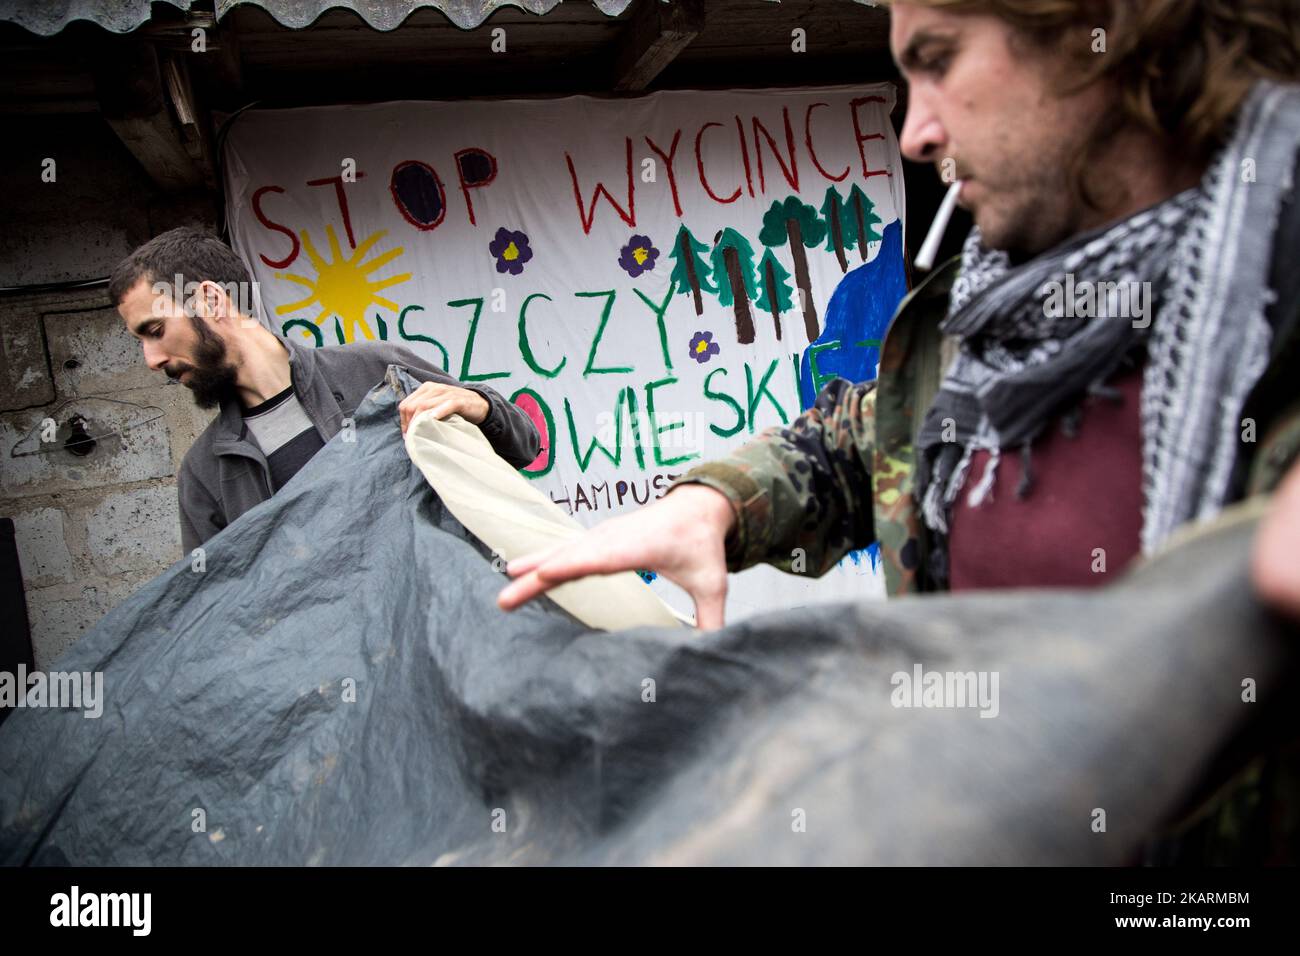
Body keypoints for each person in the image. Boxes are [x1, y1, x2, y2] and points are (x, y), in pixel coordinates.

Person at [498, 0, 1300, 628]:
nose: (914, 134)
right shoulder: (988, 313)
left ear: (1105, 32)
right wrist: (711, 507)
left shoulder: (1278, 317)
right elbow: (862, 442)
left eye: (939, 60)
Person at [110, 227, 540, 553]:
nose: (151, 360)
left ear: (211, 301)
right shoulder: (205, 474)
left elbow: (524, 447)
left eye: (155, 330)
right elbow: (218, 619)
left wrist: (479, 406)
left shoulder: (376, 370)